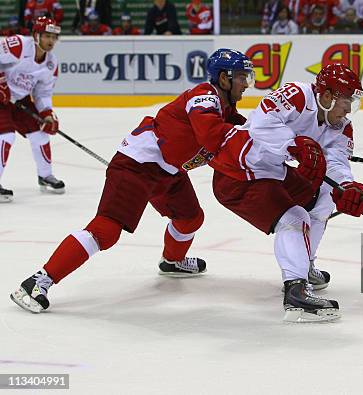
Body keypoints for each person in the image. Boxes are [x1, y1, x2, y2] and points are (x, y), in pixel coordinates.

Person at [10, 49, 254, 313]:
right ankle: (37, 281)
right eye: (241, 76)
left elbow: (245, 132)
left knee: (190, 217)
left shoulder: (226, 107)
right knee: (106, 230)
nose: (246, 83)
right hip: (138, 164)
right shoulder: (203, 97)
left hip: (169, 171)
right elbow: (212, 135)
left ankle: (172, 261)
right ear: (224, 78)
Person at [209, 63, 363, 322]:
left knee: (327, 194)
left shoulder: (340, 125)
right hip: (240, 171)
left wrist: (346, 186)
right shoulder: (296, 94)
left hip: (274, 172)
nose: (349, 109)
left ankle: (304, 265)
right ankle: (296, 294)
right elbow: (260, 124)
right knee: (295, 218)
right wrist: (292, 144)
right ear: (327, 96)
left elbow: (336, 162)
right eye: (345, 101)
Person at [0, 17, 64, 203]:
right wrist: (1, 83)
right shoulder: (18, 45)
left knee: (40, 133)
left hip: (19, 100)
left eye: (54, 37)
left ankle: (45, 175)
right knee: (5, 136)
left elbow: (43, 92)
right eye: (46, 36)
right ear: (36, 35)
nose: (51, 41)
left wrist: (47, 113)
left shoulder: (51, 63)